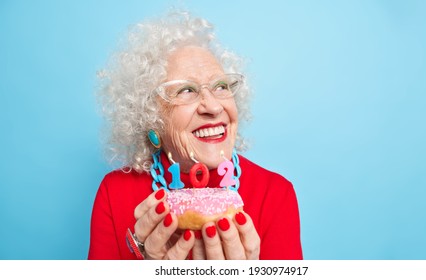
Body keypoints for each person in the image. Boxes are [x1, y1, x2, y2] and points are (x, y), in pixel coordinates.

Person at [88, 11, 302, 260]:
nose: (212, 107)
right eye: (186, 90)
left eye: (221, 86)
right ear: (151, 117)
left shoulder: (275, 195)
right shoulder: (114, 194)